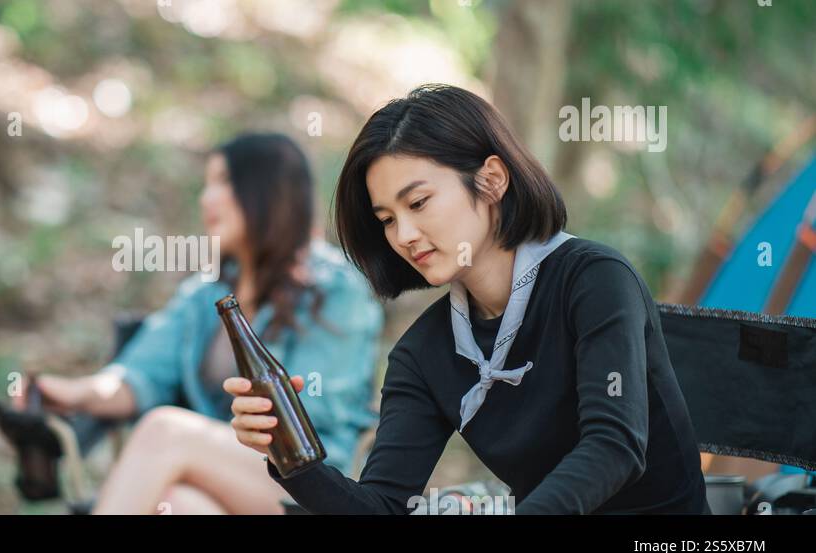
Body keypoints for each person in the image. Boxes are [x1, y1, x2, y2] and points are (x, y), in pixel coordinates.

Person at [227, 85, 710, 514]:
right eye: (387, 219)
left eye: (417, 203)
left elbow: (615, 445)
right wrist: (291, 458)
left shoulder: (594, 280)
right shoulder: (425, 353)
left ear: (492, 180)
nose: (405, 235)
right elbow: (384, 506)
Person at [20, 133, 384, 514]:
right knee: (179, 505)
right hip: (220, 483)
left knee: (165, 431)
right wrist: (72, 392)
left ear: (267, 191)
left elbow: (309, 423)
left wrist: (211, 441)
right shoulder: (204, 293)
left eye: (223, 182)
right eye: (207, 185)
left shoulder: (336, 290)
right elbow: (138, 375)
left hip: (309, 482)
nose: (205, 198)